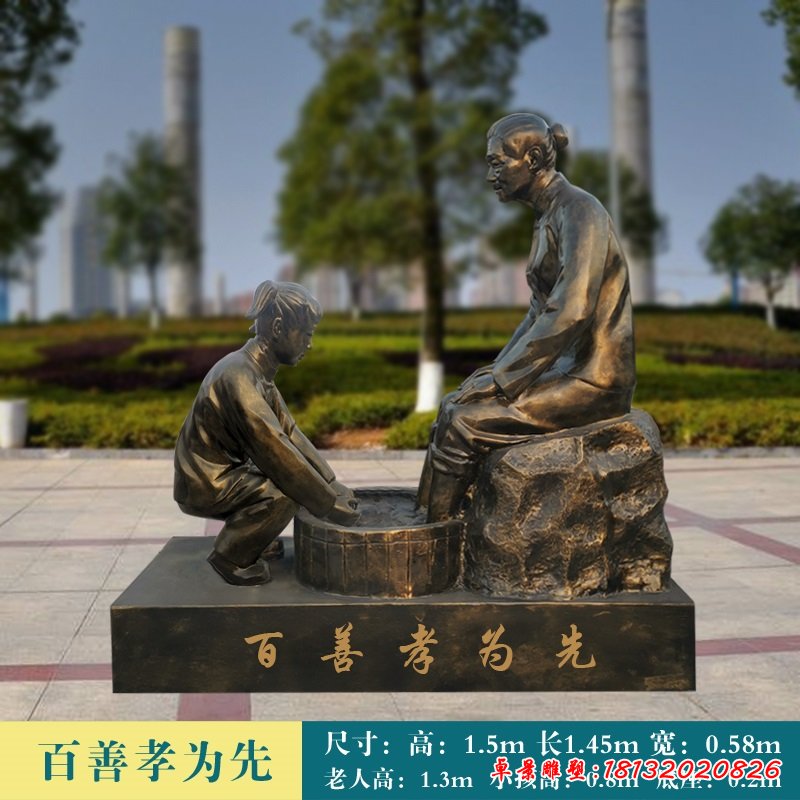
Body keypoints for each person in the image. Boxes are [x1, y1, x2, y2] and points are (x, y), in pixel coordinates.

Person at [419, 112, 636, 522]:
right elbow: (538, 311)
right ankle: (422, 518)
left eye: (497, 163)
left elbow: (571, 309)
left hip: (595, 379)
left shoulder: (580, 211)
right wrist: (496, 374)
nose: (490, 176)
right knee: (451, 405)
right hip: (564, 371)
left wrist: (504, 379)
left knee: (464, 425)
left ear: (532, 159)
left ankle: (436, 535)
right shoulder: (548, 215)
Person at [174, 280, 359, 585]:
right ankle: (231, 556)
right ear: (277, 328)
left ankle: (253, 538)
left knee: (295, 482)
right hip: (205, 481)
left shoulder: (257, 373)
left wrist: (331, 483)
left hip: (225, 472)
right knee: (283, 493)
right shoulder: (239, 377)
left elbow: (290, 432)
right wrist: (327, 503)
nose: (310, 344)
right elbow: (275, 450)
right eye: (306, 334)